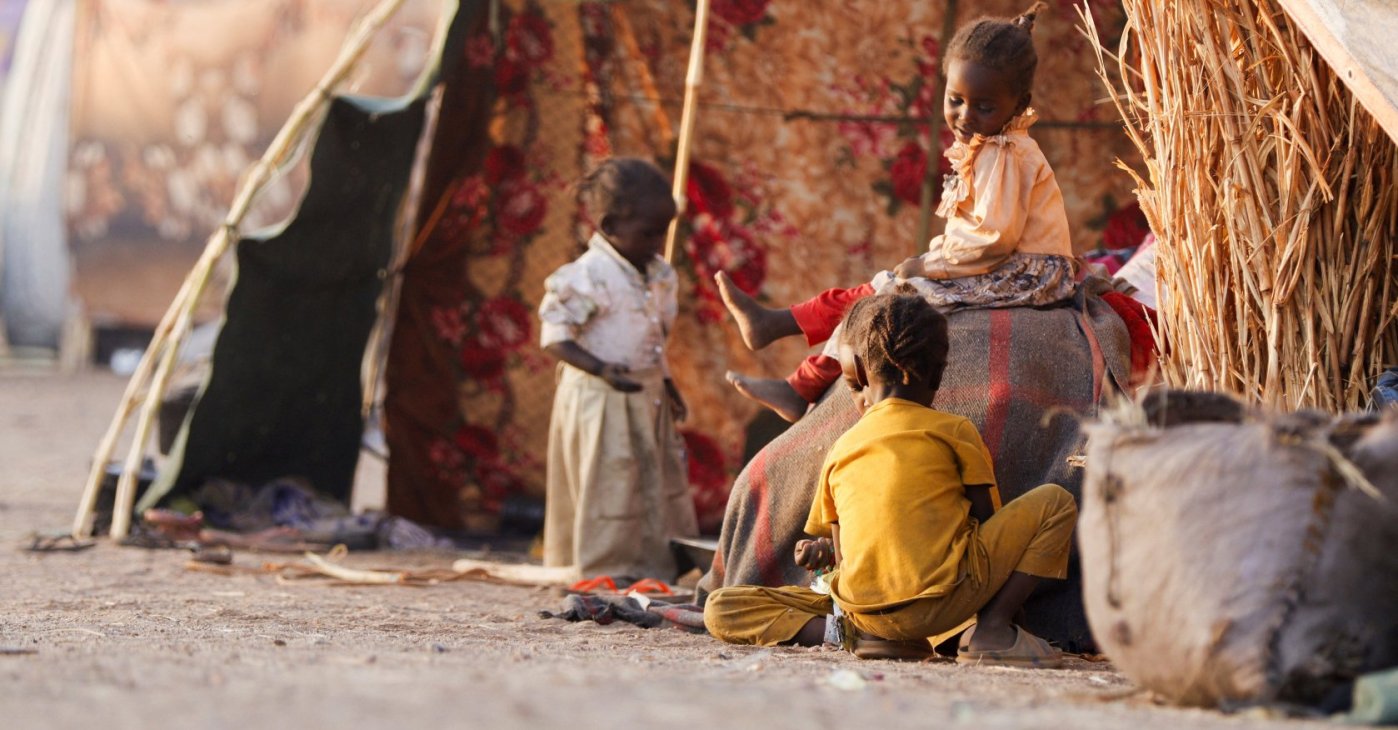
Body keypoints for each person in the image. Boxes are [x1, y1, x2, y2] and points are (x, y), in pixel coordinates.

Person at [717, 2, 1078, 422]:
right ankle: (784, 336)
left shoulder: (1006, 154)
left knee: (899, 293)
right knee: (885, 282)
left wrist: (931, 264)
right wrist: (933, 261)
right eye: (955, 99)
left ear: (1019, 105)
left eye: (984, 107)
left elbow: (994, 238)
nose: (965, 116)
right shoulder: (987, 148)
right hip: (1002, 261)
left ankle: (798, 369)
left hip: (1027, 272)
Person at [703, 293, 1078, 665]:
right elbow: (986, 525)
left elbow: (846, 559)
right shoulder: (956, 430)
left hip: (864, 613)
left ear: (861, 373)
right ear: (938, 374)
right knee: (1056, 501)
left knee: (722, 605)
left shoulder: (841, 448)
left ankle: (848, 635)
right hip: (945, 602)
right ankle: (992, 628)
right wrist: (1006, 611)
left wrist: (823, 552)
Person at [537, 157, 698, 581]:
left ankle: (651, 564)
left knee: (650, 479)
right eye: (649, 233)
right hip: (599, 397)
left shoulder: (660, 276)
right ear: (610, 226)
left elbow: (653, 336)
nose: (659, 242)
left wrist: (667, 383)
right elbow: (555, 334)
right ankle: (604, 567)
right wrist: (602, 369)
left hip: (645, 393)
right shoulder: (587, 276)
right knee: (609, 481)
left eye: (662, 231)